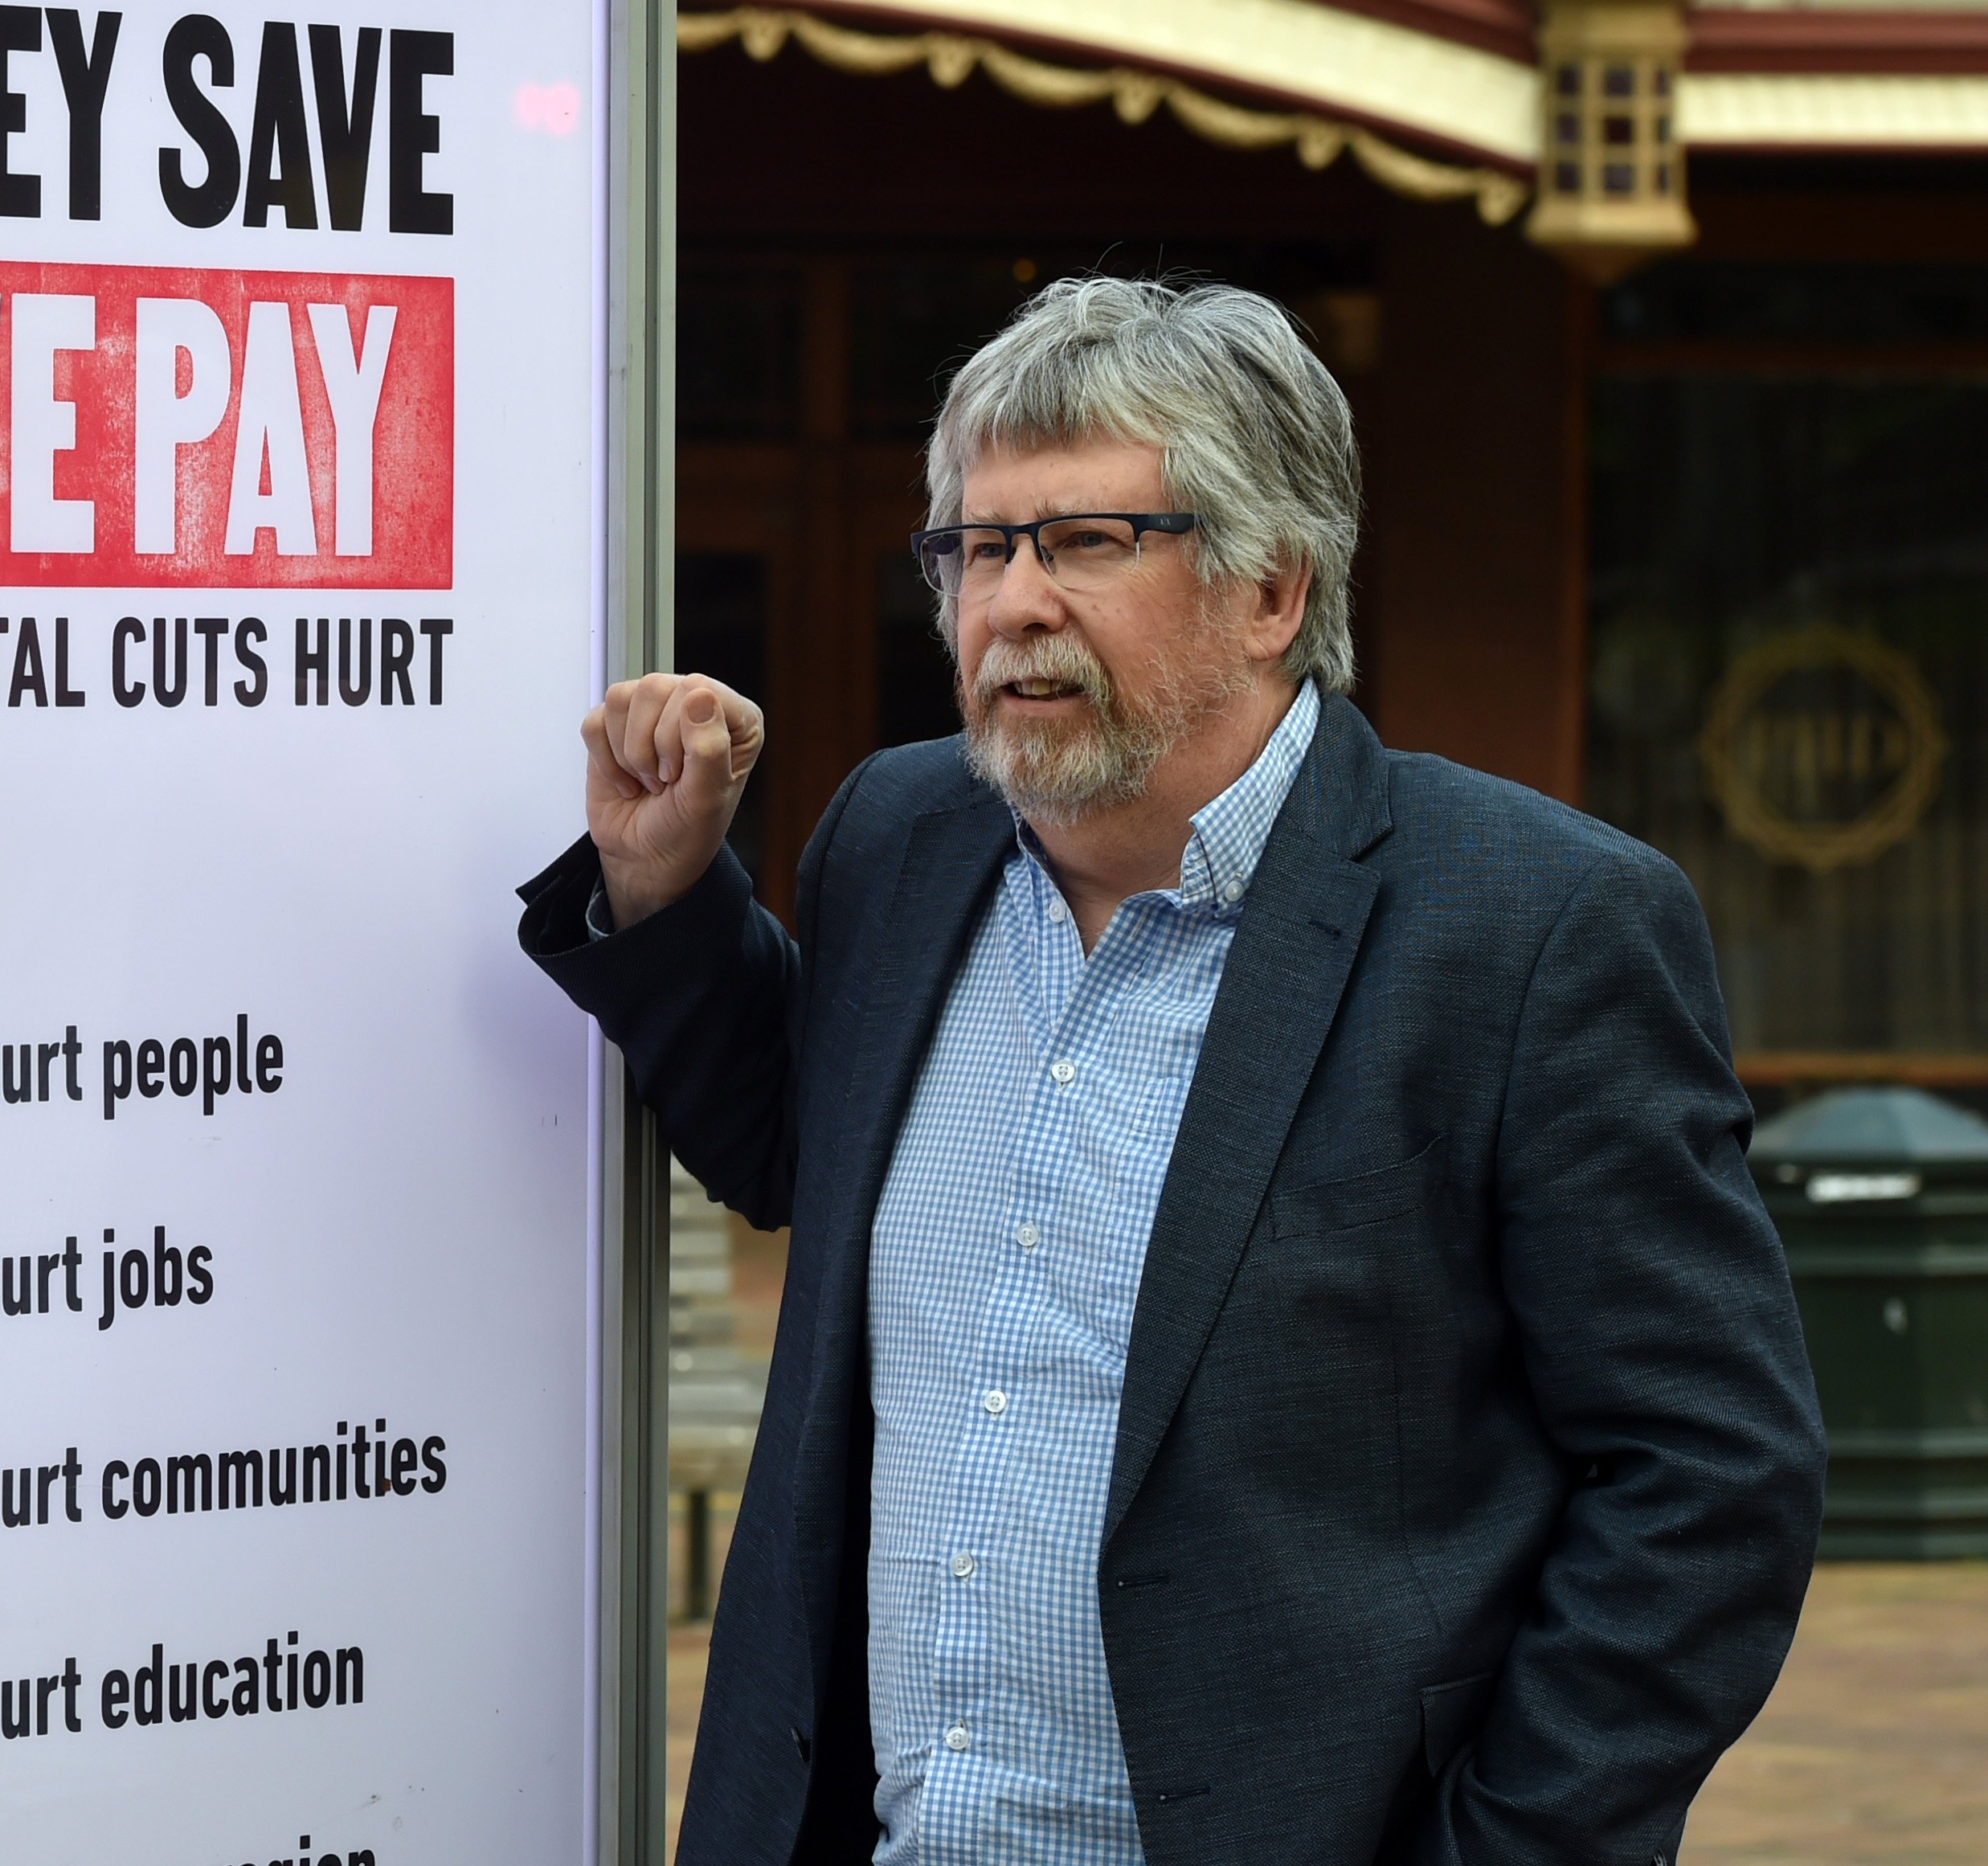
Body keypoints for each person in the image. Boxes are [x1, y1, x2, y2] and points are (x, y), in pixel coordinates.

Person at [519, 277, 1822, 1865]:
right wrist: (663, 890)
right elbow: (806, 1148)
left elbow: (1706, 1474)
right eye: (976, 548)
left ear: (1269, 585)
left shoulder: (1532, 928)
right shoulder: (894, 837)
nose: (1009, 605)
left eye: (1081, 542)